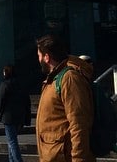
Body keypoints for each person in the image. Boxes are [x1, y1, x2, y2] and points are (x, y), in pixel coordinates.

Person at [35, 34, 94, 162]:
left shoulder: (69, 78)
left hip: (66, 157)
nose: (38, 59)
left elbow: (79, 123)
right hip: (55, 156)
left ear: (46, 57)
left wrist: (79, 159)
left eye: (39, 55)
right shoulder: (52, 80)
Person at [0, 64, 31, 162]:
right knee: (11, 141)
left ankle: (18, 160)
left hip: (8, 117)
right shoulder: (21, 84)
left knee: (12, 141)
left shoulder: (5, 84)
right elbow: (27, 102)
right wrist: (27, 118)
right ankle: (11, 160)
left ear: (6, 73)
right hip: (20, 116)